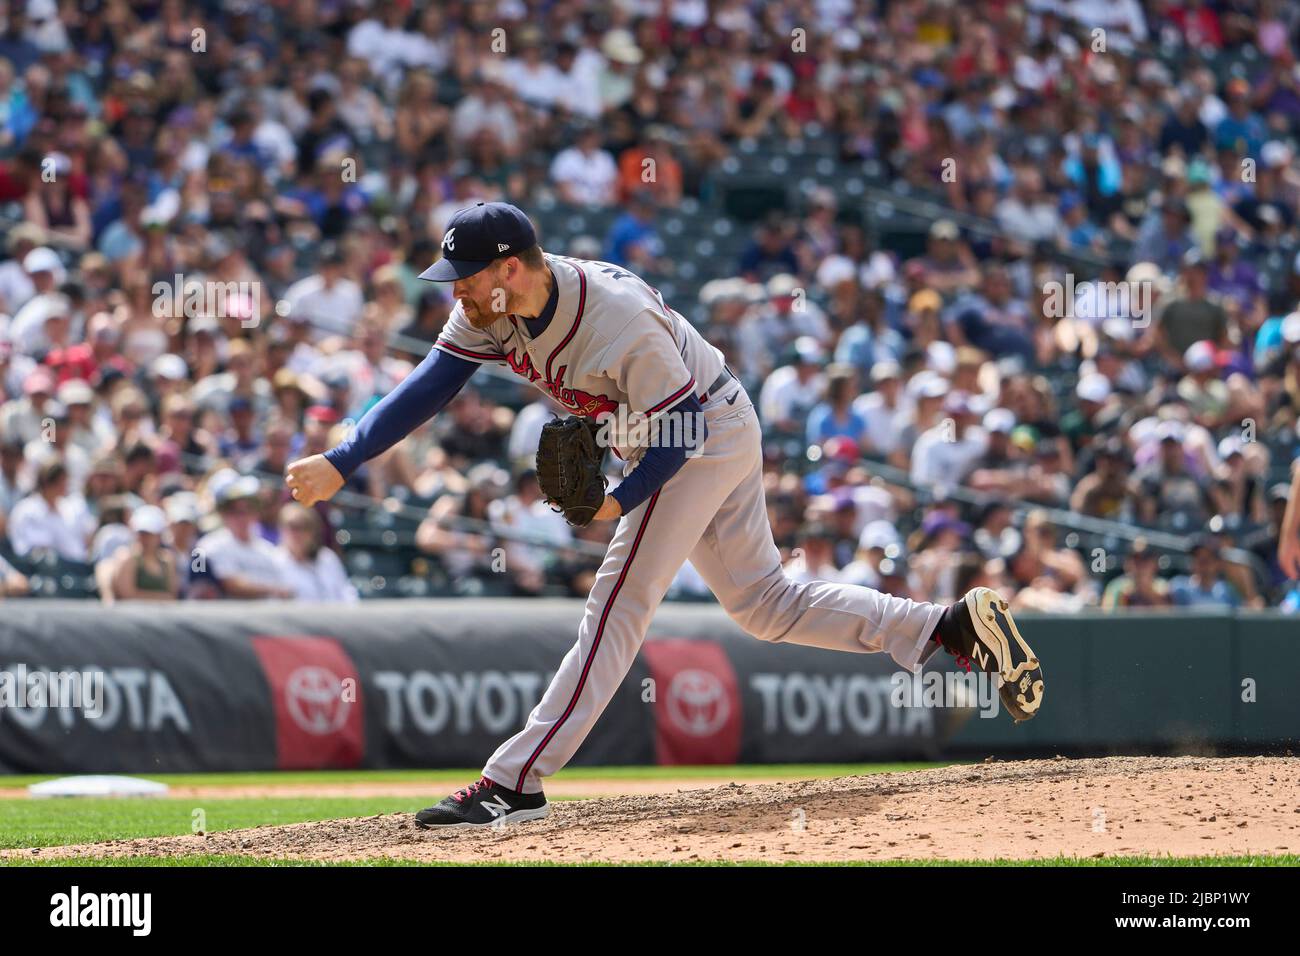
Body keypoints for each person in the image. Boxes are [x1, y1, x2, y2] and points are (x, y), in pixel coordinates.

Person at [284, 201, 1045, 830]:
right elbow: (429, 385)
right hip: (702, 422)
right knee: (766, 604)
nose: (455, 290)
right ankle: (945, 627)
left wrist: (617, 501)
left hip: (698, 431)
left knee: (618, 603)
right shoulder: (490, 313)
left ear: (510, 268)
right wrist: (344, 458)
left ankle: (514, 781)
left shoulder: (614, 317)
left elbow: (679, 428)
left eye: (466, 276)